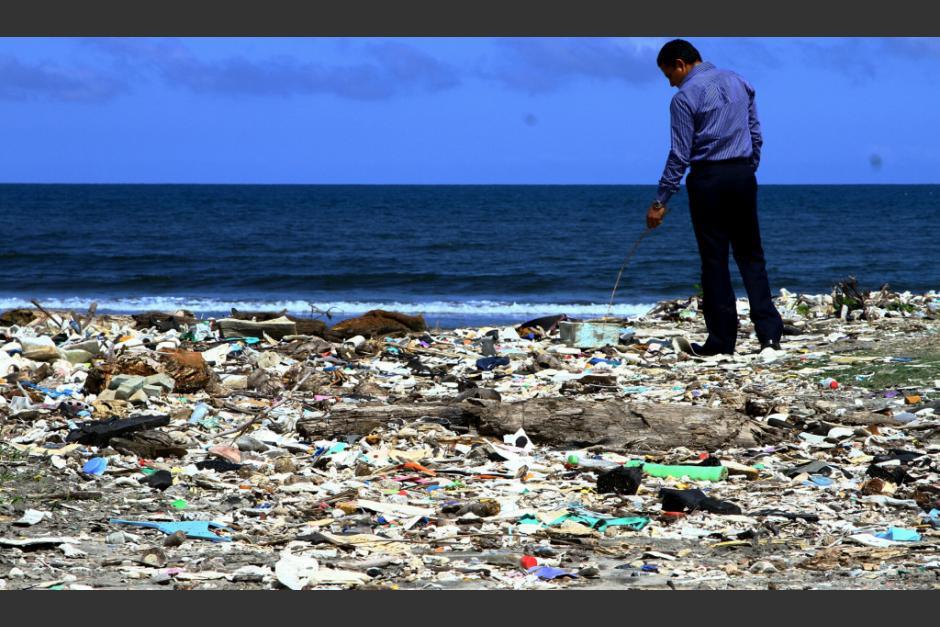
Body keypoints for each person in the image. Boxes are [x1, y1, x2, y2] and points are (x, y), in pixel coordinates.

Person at [647, 39, 783, 356]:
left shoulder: (684, 98)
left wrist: (660, 201)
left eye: (669, 75)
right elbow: (756, 133)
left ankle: (722, 341)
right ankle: (769, 336)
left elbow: (679, 154)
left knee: (714, 262)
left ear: (680, 64)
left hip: (708, 179)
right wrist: (748, 168)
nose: (670, 82)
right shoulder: (740, 81)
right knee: (752, 256)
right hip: (741, 175)